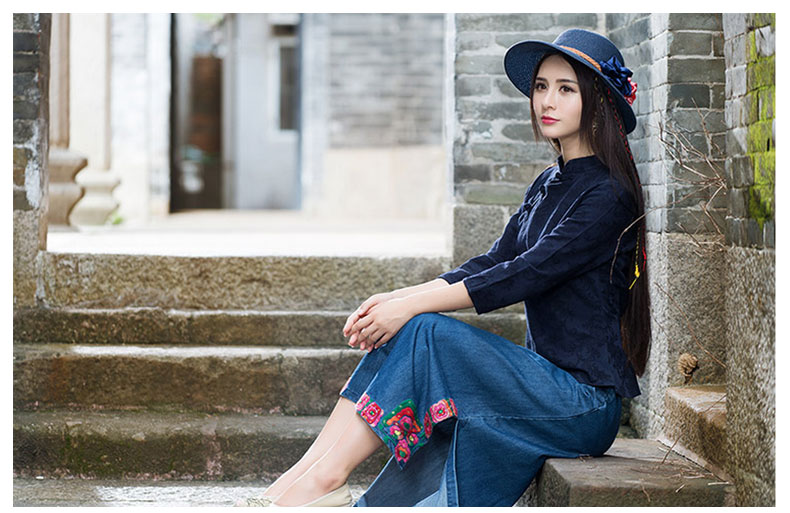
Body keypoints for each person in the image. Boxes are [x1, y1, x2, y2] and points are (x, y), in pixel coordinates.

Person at [235, 27, 651, 508]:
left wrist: (411, 307)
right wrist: (399, 299)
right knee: (410, 328)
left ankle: (324, 480)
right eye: (541, 86)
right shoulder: (547, 183)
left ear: (597, 102)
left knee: (425, 329)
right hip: (537, 383)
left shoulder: (609, 196)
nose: (547, 101)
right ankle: (300, 479)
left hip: (582, 404)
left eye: (566, 89)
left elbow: (524, 273)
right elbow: (494, 260)